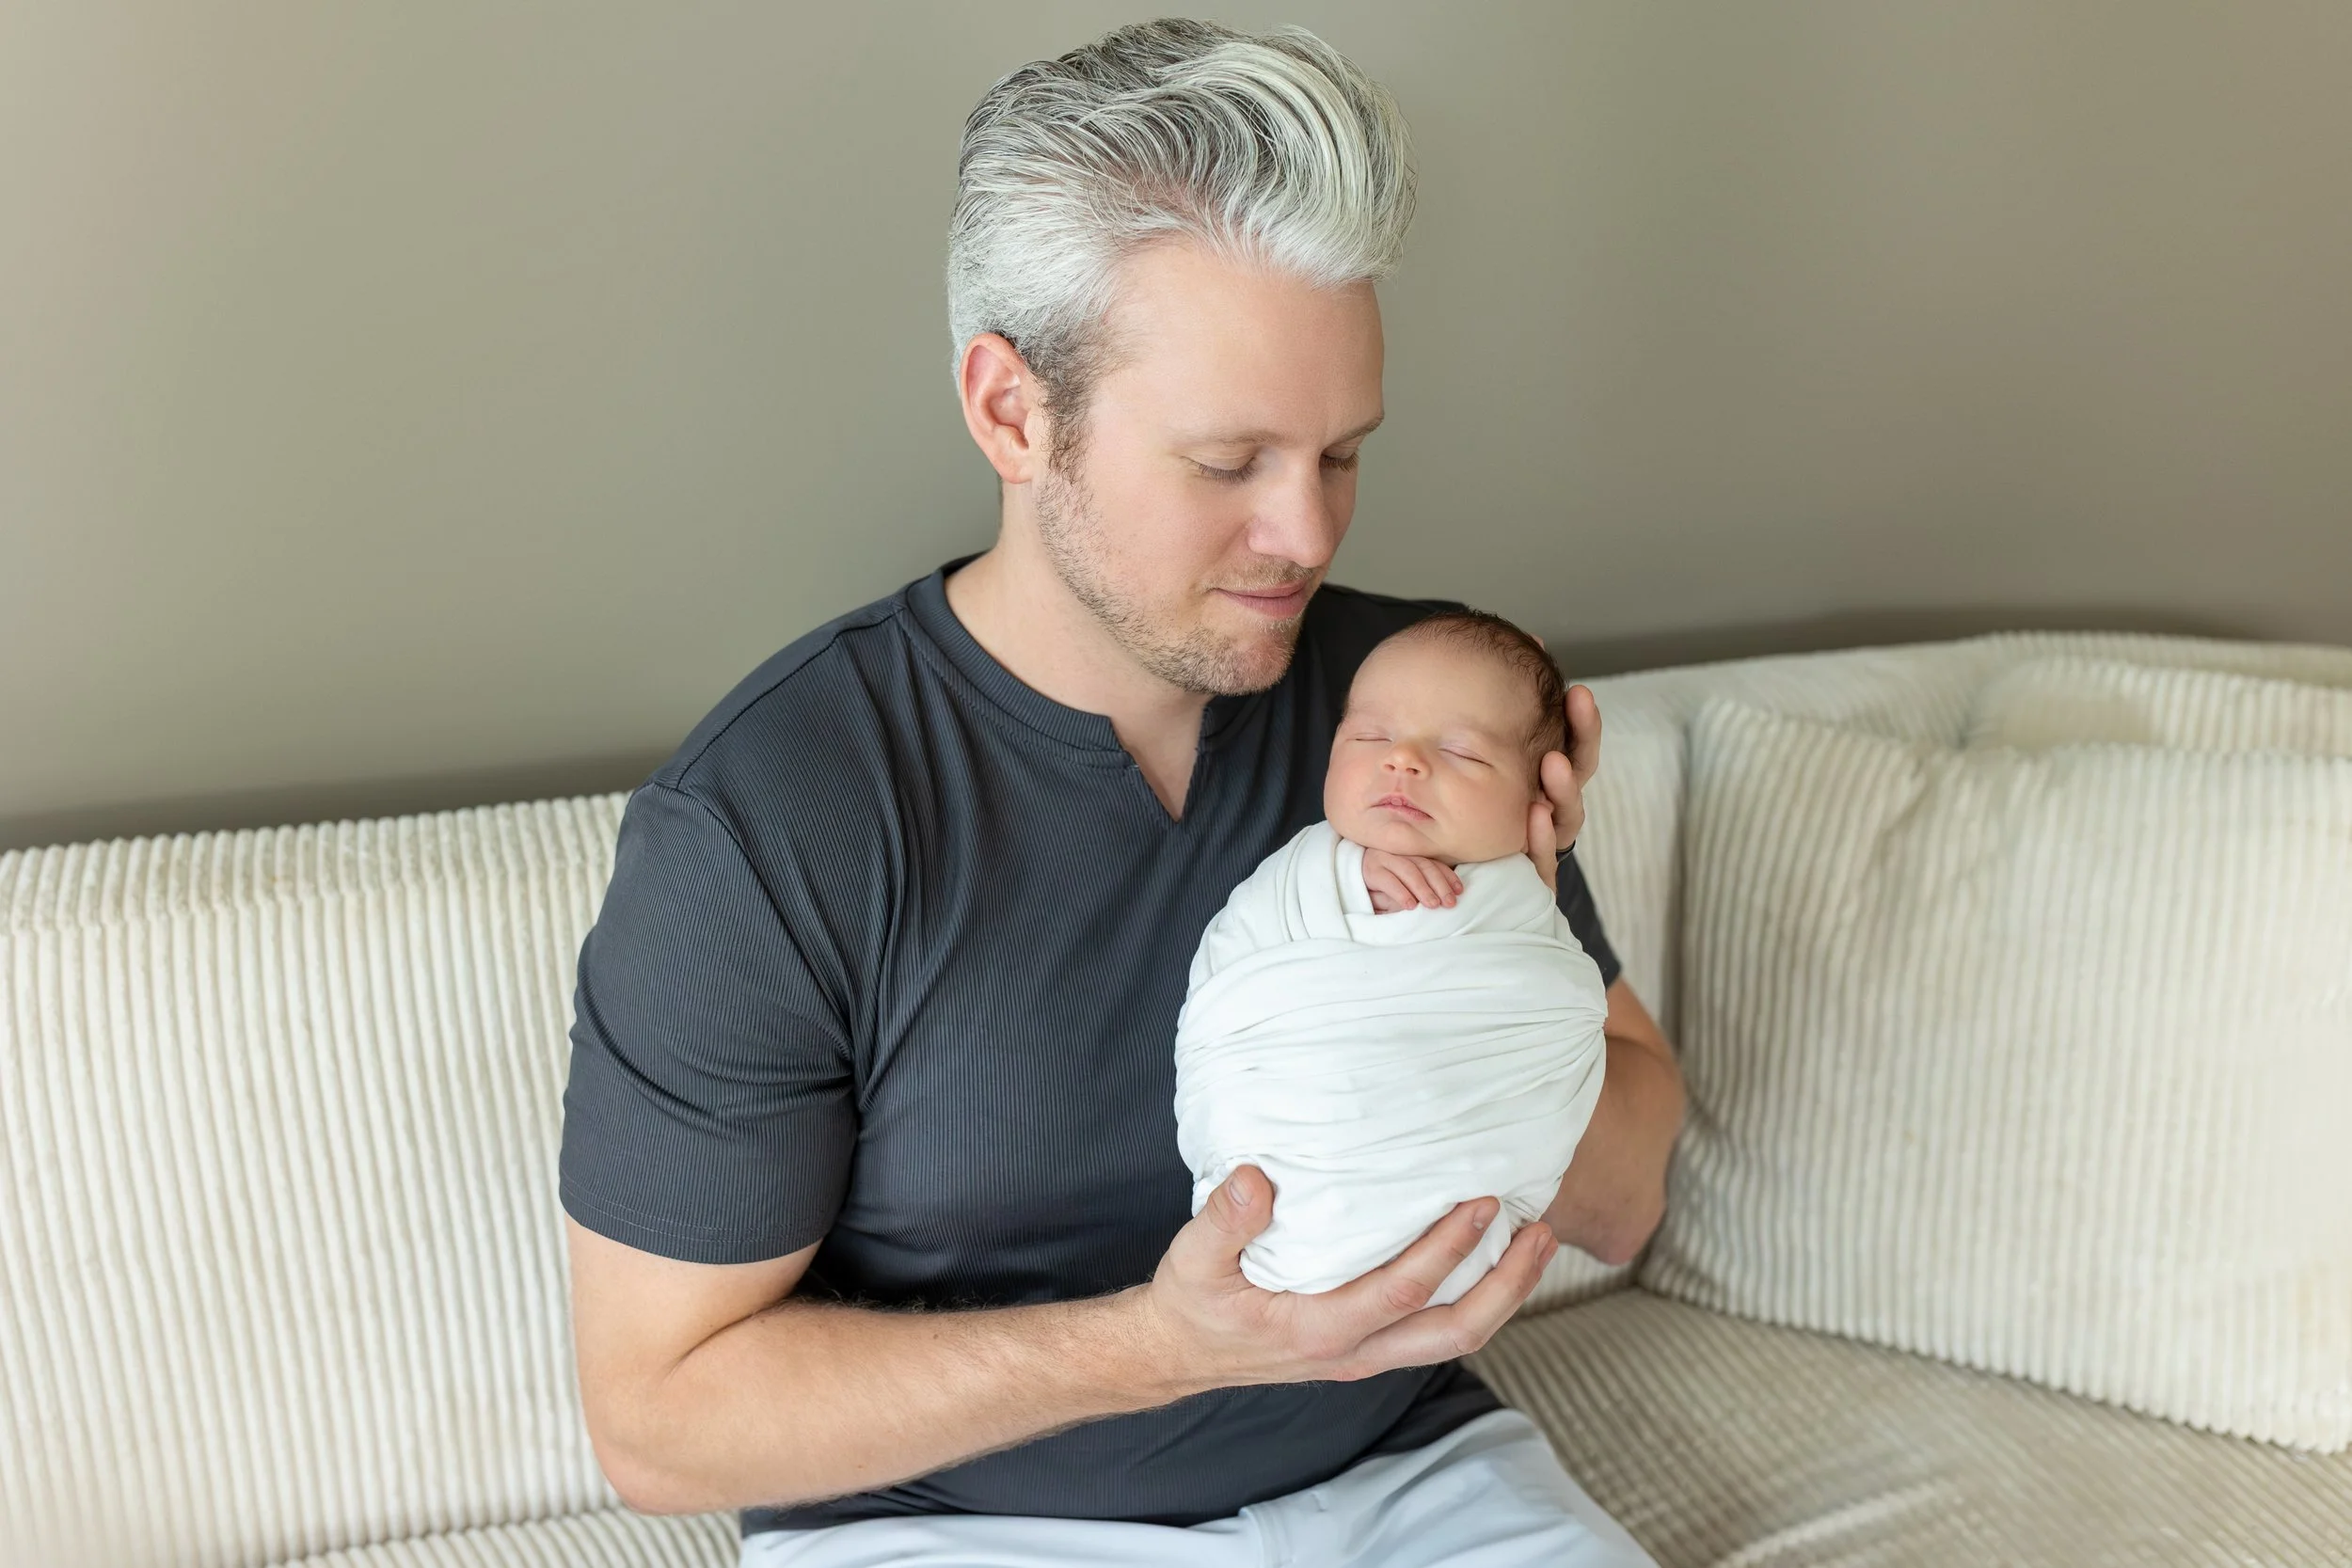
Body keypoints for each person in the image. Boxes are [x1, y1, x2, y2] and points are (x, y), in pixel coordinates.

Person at [558, 19, 1683, 1566]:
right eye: (1231, 462)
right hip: (969, 1524)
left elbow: (1625, 1206)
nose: (1307, 534)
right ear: (1014, 412)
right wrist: (1161, 1347)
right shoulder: (775, 823)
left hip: (1411, 1468)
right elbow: (657, 1420)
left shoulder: (1406, 717)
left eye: (1343, 453)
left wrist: (1524, 933)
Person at [1172, 610, 1614, 1311]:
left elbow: (1556, 1019)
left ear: (1538, 796)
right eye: (1369, 736)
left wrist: (1499, 926)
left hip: (1459, 1258)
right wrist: (1345, 886)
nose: (1401, 759)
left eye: (1464, 751)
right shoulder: (1298, 878)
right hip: (1270, 1198)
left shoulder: (1525, 903)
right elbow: (1227, 992)